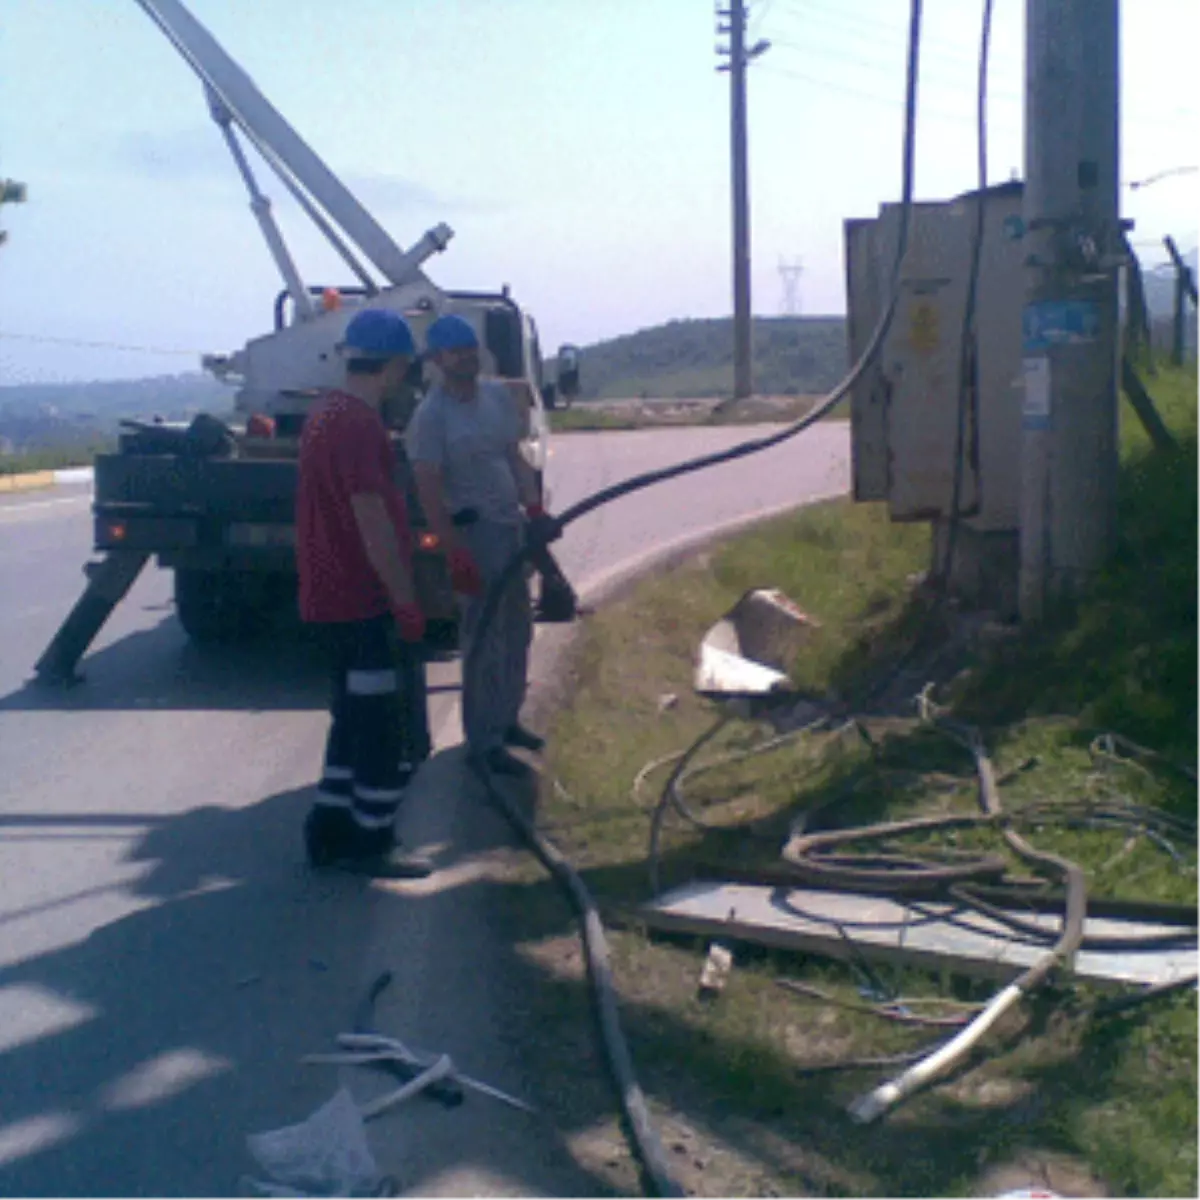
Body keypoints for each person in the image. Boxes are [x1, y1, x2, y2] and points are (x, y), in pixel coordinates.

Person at [295, 307, 433, 877]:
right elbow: (372, 517)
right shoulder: (359, 424)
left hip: (328, 600)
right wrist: (404, 599)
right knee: (383, 728)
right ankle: (371, 842)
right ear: (394, 364)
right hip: (361, 601)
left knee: (351, 720)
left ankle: (328, 831)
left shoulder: (325, 413)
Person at [408, 313, 561, 776]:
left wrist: (534, 512)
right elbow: (428, 489)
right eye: (456, 352)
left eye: (470, 349)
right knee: (482, 639)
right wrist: (453, 550)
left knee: (517, 628)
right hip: (474, 535)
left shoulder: (495, 398)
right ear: (438, 360)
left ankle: (507, 719)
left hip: (510, 527)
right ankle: (483, 740)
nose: (466, 358)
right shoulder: (431, 417)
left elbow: (515, 458)